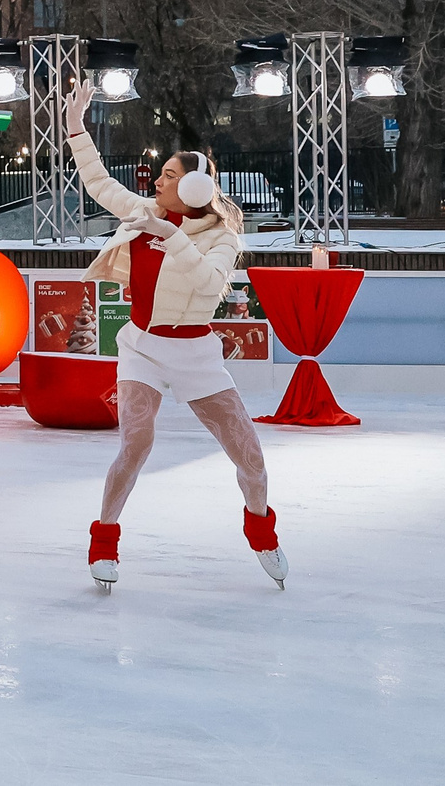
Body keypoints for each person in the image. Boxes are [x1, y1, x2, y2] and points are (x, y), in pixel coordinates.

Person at [62, 78, 283, 589]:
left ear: (193, 189)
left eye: (168, 175)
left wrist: (172, 238)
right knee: (135, 443)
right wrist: (75, 129)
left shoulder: (223, 237)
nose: (156, 182)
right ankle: (104, 539)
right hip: (142, 347)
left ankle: (261, 530)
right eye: (161, 174)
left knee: (250, 457)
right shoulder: (145, 213)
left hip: (195, 354)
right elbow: (98, 183)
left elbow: (208, 283)